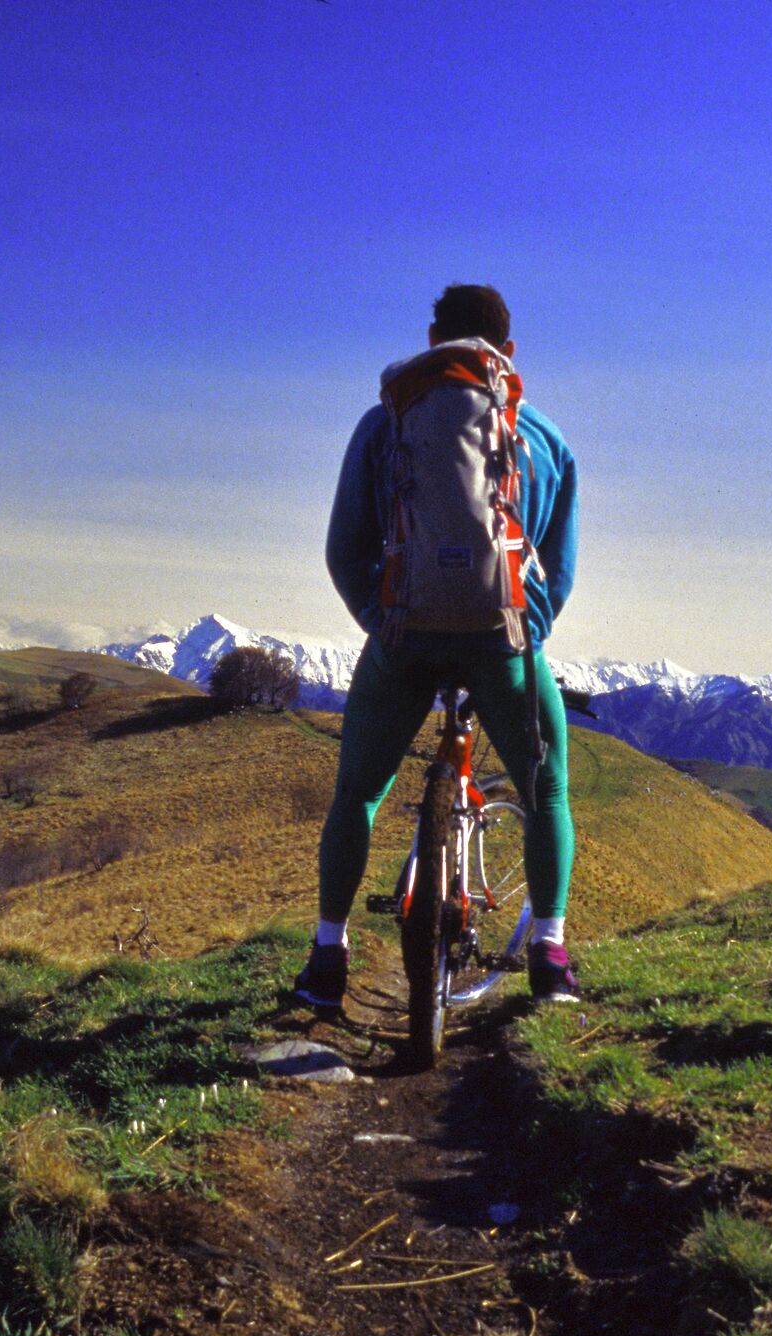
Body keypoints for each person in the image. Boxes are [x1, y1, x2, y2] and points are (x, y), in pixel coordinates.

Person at [293, 283, 581, 1012]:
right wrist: (523, 632)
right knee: (546, 789)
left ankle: (328, 957)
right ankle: (549, 954)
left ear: (432, 340)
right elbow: (560, 566)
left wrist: (385, 618)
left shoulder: (382, 425)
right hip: (501, 647)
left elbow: (342, 550)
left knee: (356, 794)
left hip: (404, 642)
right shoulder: (542, 437)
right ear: (507, 352)